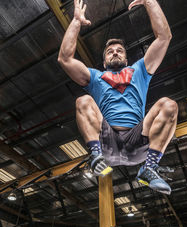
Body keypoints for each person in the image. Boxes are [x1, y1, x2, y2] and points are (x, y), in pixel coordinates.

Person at [58, 0, 178, 195]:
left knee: (169, 105)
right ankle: (96, 156)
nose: (115, 52)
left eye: (119, 50)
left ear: (126, 58)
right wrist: (76, 22)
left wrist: (150, 2)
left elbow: (164, 37)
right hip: (107, 143)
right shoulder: (95, 77)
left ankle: (149, 168)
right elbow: (65, 59)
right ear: (104, 61)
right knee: (83, 101)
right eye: (110, 51)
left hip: (138, 140)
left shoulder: (140, 69)